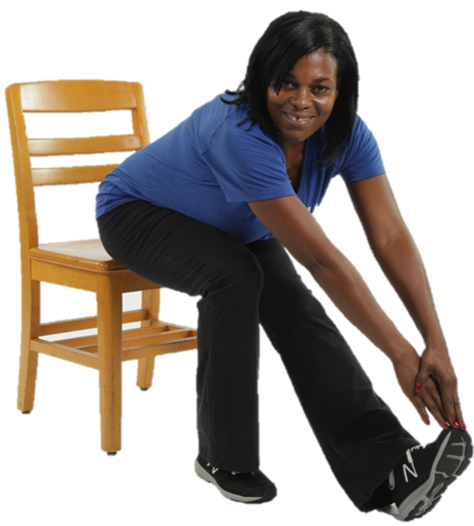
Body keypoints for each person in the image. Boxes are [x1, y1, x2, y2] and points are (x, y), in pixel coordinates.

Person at [96, 11, 471, 520]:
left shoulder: (348, 136)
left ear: (341, 91)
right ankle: (222, 459)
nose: (301, 101)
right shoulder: (239, 131)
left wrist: (435, 342)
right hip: (136, 214)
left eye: (319, 87)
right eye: (286, 83)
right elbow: (319, 257)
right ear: (261, 79)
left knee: (295, 307)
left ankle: (390, 474)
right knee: (236, 276)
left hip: (235, 228)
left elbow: (389, 235)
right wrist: (400, 353)